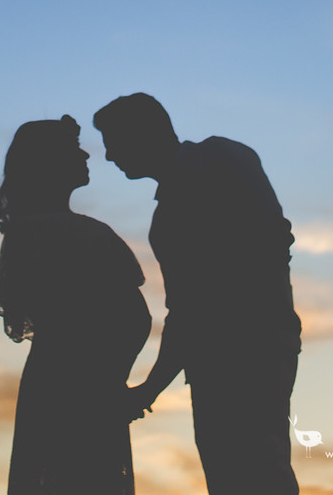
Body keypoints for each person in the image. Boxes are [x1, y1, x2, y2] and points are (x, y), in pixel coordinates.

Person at [94, 93, 301, 495]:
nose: (108, 156)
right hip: (216, 363)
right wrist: (150, 388)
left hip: (252, 351)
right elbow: (186, 312)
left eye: (113, 143)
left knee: (259, 470)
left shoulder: (222, 157)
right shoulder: (163, 220)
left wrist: (150, 388)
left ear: (143, 134)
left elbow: (270, 245)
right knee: (231, 477)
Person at [0, 115, 152, 495]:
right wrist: (115, 383)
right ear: (50, 163)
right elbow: (136, 318)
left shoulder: (22, 235)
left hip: (48, 384)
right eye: (73, 149)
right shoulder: (87, 235)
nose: (85, 155)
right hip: (91, 390)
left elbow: (24, 318)